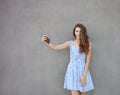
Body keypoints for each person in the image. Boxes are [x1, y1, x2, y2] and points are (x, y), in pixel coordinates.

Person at [41, 23, 94, 95]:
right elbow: (56, 47)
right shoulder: (70, 43)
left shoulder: (88, 44)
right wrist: (46, 42)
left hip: (83, 71)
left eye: (80, 31)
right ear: (74, 32)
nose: (78, 33)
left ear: (83, 32)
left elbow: (88, 61)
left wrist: (84, 75)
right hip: (72, 71)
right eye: (76, 31)